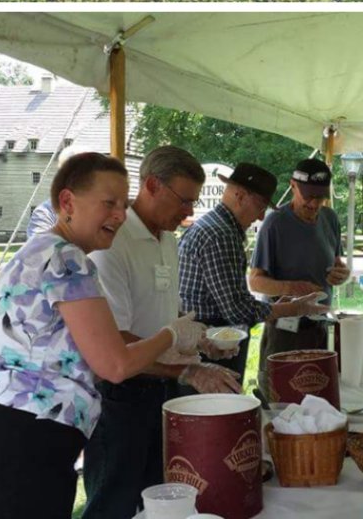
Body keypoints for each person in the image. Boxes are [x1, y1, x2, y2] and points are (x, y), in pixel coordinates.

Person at [0, 153, 205, 519]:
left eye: (123, 204)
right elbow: (114, 365)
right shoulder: (66, 259)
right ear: (67, 202)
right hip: (20, 440)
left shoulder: (49, 251)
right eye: (109, 203)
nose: (120, 215)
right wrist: (172, 336)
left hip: (13, 435)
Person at [82, 146, 242, 519]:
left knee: (161, 495)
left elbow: (163, 315)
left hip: (161, 390)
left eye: (193, 201)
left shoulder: (168, 238)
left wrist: (198, 339)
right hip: (120, 396)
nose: (189, 211)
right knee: (114, 500)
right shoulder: (112, 243)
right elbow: (115, 341)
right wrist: (188, 369)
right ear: (152, 185)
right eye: (184, 200)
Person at [178, 162, 329, 382]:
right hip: (213, 345)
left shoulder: (211, 226)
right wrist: (294, 308)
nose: (260, 217)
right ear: (240, 196)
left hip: (206, 340)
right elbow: (238, 311)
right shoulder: (221, 235)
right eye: (260, 206)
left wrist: (278, 307)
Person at [249, 158, 350, 400]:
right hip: (284, 330)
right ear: (292, 186)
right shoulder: (275, 223)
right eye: (309, 196)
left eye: (320, 197)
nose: (314, 204)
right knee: (281, 401)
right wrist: (293, 288)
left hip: (318, 328)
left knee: (317, 400)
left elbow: (337, 264)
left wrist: (341, 274)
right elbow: (255, 281)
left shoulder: (330, 218)